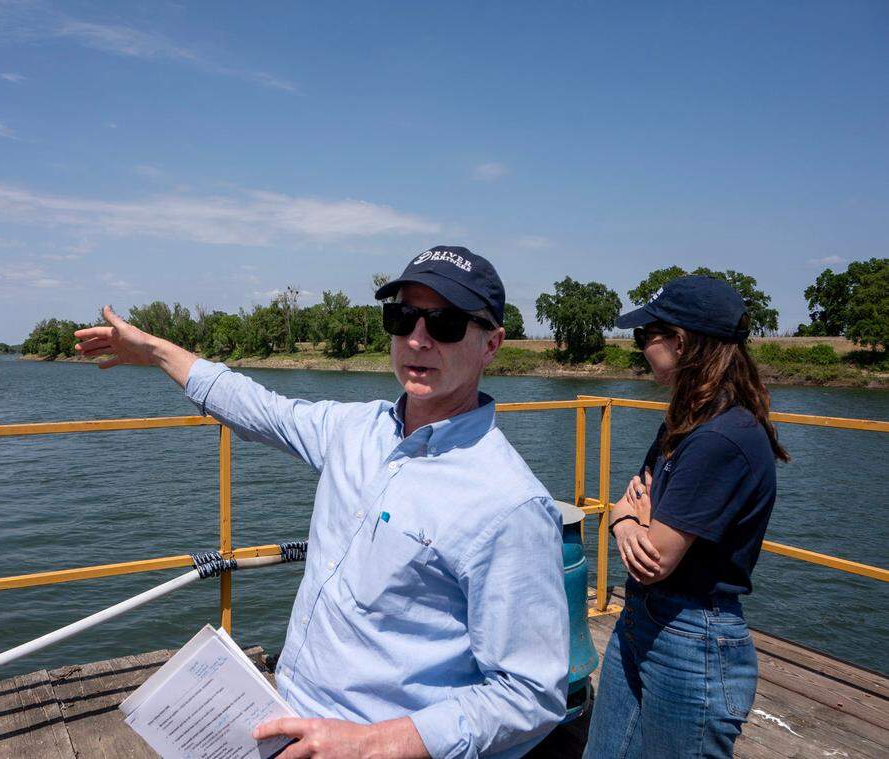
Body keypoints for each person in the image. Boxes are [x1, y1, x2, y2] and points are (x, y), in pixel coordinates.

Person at [75, 246, 569, 758]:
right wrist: (156, 352)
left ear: (492, 344)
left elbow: (530, 695)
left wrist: (370, 744)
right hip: (283, 716)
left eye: (445, 323)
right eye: (402, 317)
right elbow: (260, 409)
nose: (418, 339)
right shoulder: (357, 430)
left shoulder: (510, 505)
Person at [583, 275, 789, 758]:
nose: (640, 348)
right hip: (642, 621)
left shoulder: (722, 437)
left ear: (679, 340)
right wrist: (626, 516)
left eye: (644, 336)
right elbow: (631, 499)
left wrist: (625, 520)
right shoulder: (686, 421)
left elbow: (652, 559)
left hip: (692, 641)